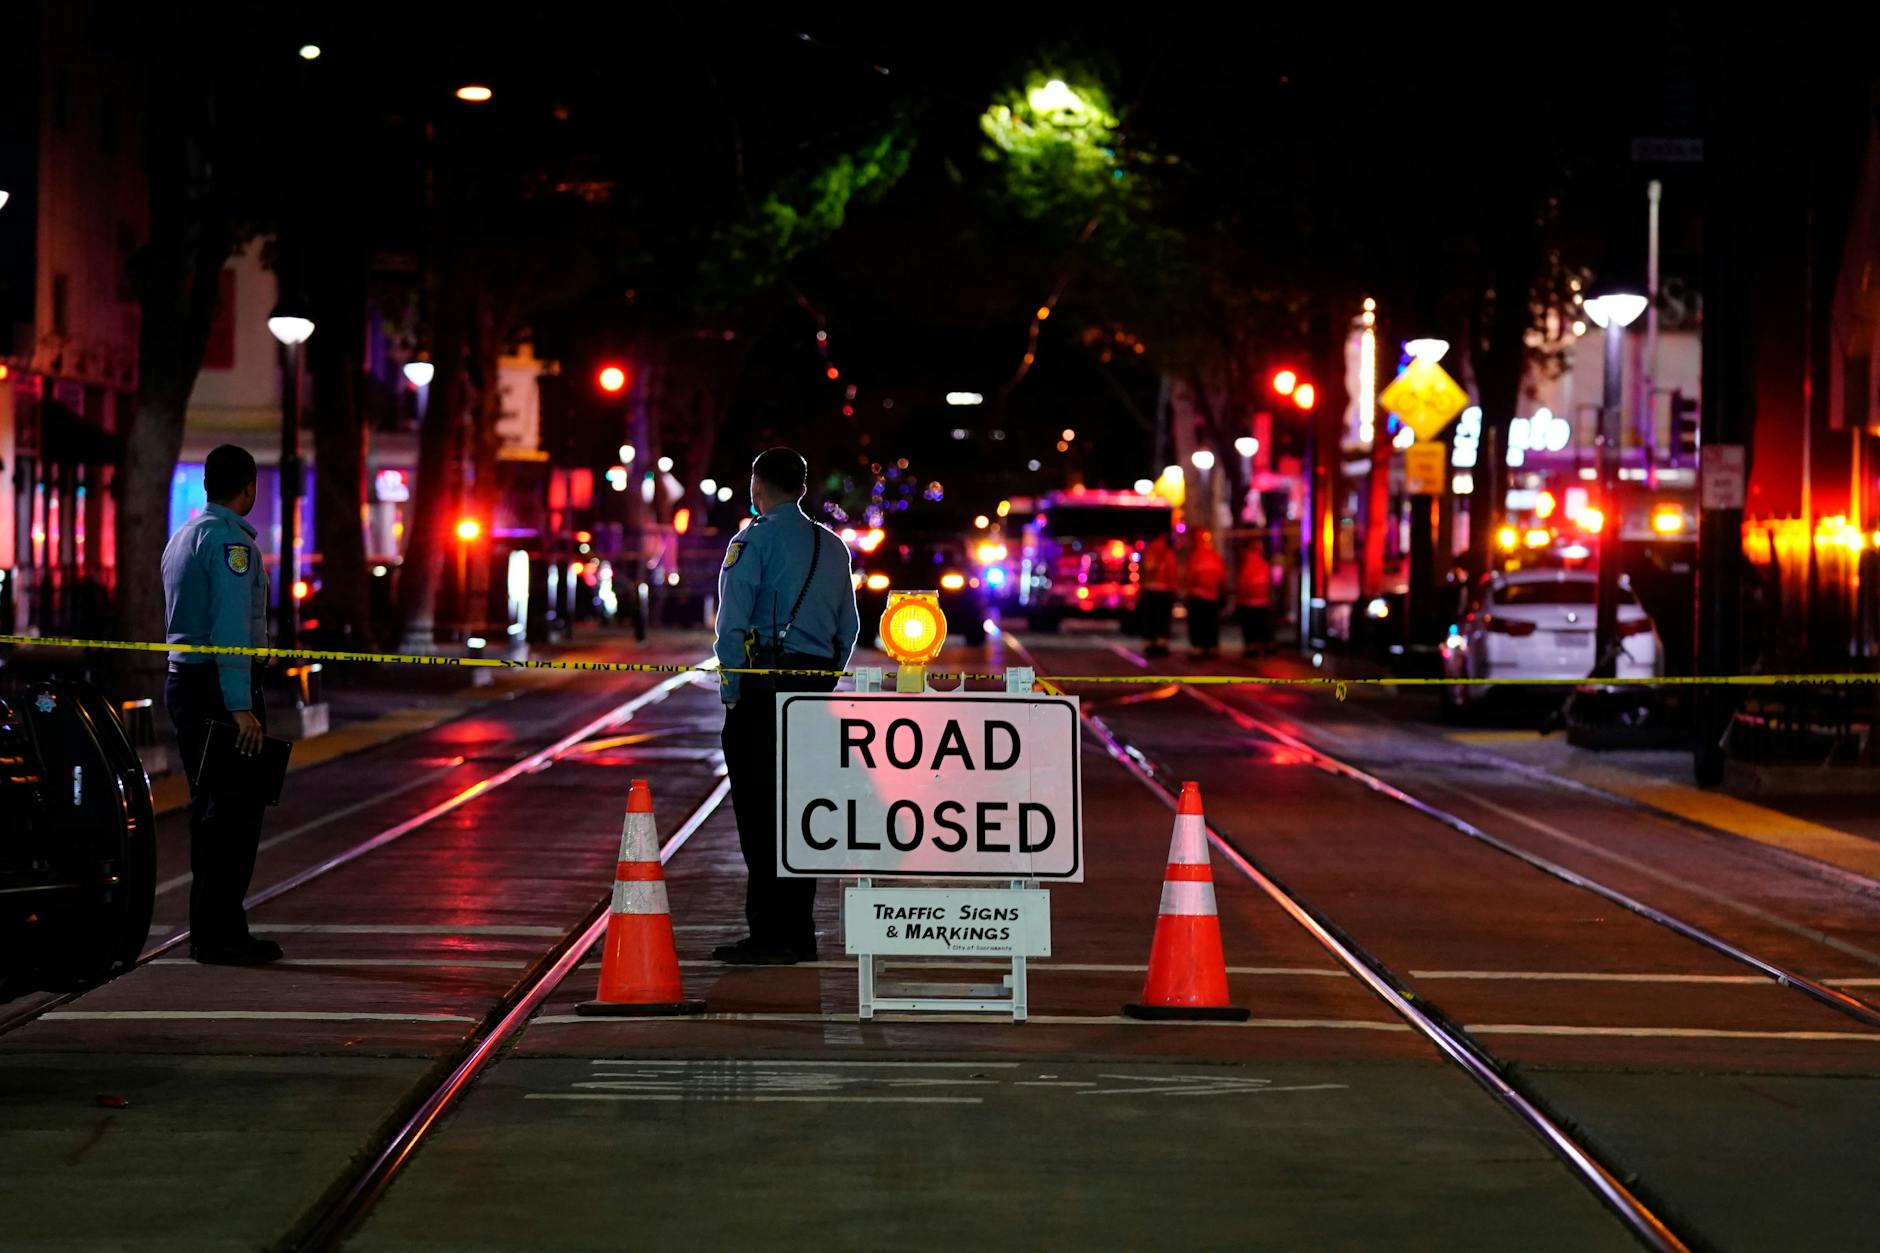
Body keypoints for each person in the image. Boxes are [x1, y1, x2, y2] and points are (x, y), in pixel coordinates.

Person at [714, 447, 861, 965]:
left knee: (759, 812)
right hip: (813, 688)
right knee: (803, 812)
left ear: (758, 487)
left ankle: (768, 934)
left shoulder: (751, 541)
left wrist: (733, 692)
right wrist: (825, 679)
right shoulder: (833, 546)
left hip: (763, 686)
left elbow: (731, 626)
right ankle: (799, 930)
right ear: (801, 488)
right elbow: (850, 628)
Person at [161, 443, 281, 966]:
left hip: (184, 684)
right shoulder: (232, 545)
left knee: (208, 811)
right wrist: (240, 704)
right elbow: (229, 630)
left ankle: (209, 929)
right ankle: (224, 933)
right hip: (219, 688)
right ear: (248, 487)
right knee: (236, 812)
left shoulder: (183, 537)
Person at [1184, 530, 1226, 660]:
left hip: (1198, 597)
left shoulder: (1196, 556)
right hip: (1211, 597)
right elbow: (1222, 576)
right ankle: (1211, 647)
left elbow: (1190, 577)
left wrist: (1188, 593)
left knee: (1199, 623)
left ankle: (1199, 647)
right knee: (1210, 623)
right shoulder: (1214, 556)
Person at [1138, 532, 1177, 658]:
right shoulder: (1167, 553)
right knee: (1162, 619)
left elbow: (1142, 571)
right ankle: (1161, 644)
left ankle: (1149, 643)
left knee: (1150, 618)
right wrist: (1173, 588)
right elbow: (1171, 572)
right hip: (1163, 590)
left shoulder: (1147, 551)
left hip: (1148, 590)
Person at [1235, 541, 1273, 657]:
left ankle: (1252, 648)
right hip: (1262, 602)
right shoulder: (1264, 564)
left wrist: (1240, 600)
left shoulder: (1248, 565)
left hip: (1250, 603)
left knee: (1251, 629)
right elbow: (1269, 584)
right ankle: (1263, 647)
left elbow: (1242, 584)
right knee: (1261, 628)